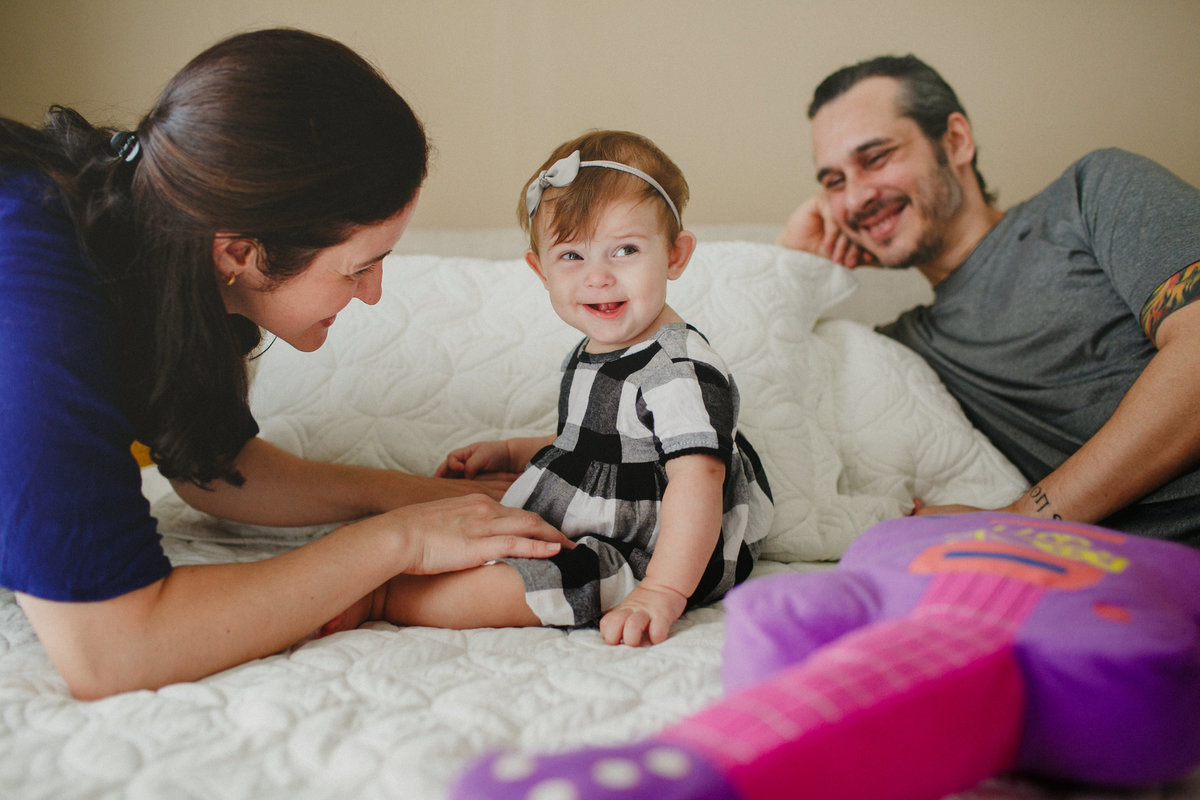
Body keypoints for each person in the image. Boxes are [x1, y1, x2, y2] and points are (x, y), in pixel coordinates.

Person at [0, 28, 569, 701]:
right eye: (360, 266)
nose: (374, 292)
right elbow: (114, 649)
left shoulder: (146, 233)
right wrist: (397, 544)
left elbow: (214, 468)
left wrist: (407, 495)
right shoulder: (34, 307)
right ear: (239, 252)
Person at [320, 130, 774, 646]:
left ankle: (383, 597)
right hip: (601, 520)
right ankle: (381, 572)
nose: (598, 276)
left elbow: (697, 481)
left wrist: (661, 590)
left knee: (520, 587)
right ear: (540, 269)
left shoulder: (679, 368)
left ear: (675, 255)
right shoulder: (596, 349)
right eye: (572, 257)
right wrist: (512, 450)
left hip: (652, 550)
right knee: (474, 529)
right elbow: (598, 446)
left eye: (624, 250)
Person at [777, 54, 1200, 546]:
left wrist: (1023, 519)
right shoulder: (905, 349)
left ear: (955, 140)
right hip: (1143, 583)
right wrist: (793, 266)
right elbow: (766, 379)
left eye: (875, 159)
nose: (853, 200)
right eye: (833, 182)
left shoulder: (1093, 192)